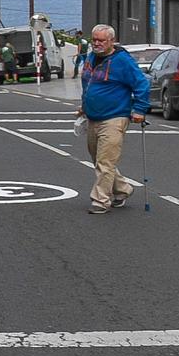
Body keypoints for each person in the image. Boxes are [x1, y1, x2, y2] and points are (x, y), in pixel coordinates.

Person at [75, 23, 149, 214]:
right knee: (98, 159)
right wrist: (84, 106)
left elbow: (141, 84)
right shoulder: (92, 57)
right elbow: (88, 83)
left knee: (105, 162)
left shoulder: (122, 60)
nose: (97, 43)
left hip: (115, 117)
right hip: (93, 117)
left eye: (101, 40)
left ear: (112, 41)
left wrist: (139, 109)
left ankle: (100, 201)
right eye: (94, 40)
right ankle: (123, 189)